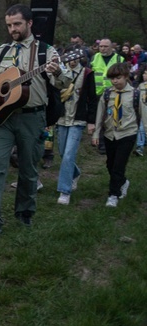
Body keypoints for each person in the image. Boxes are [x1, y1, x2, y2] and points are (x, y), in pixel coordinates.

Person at [0, 4, 71, 236]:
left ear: (29, 23)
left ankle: (24, 213)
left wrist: (56, 72)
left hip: (32, 118)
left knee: (28, 168)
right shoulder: (2, 51)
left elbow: (64, 82)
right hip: (1, 118)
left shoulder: (46, 52)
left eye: (17, 24)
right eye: (9, 25)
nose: (12, 29)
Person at [92, 63, 141, 207]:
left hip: (127, 133)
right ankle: (123, 182)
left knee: (118, 165)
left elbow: (143, 115)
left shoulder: (135, 94)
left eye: (118, 78)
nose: (115, 81)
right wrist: (96, 134)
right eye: (112, 78)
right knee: (110, 164)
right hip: (110, 134)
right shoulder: (107, 94)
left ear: (126, 77)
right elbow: (100, 114)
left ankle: (113, 194)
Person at [55, 47, 97, 205]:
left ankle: (64, 191)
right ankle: (75, 173)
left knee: (68, 156)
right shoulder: (60, 73)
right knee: (62, 153)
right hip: (61, 118)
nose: (72, 61)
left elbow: (92, 98)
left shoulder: (87, 73)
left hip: (77, 119)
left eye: (75, 58)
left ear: (80, 57)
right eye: (69, 57)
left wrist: (91, 121)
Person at [91, 38, 122, 154]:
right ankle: (100, 142)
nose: (103, 48)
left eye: (106, 46)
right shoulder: (94, 58)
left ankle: (111, 141)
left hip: (113, 92)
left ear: (111, 47)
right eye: (101, 46)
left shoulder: (119, 58)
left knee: (110, 117)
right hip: (97, 93)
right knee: (99, 118)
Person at [135, 66, 147, 157]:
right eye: (144, 73)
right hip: (143, 111)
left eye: (146, 74)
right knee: (141, 129)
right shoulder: (141, 85)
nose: (144, 75)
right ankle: (140, 147)